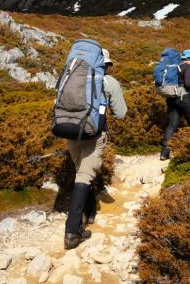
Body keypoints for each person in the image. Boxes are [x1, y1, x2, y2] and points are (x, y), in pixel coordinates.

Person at [64, 48, 127, 250]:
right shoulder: (109, 82)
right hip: (94, 134)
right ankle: (73, 232)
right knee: (84, 175)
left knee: (82, 171)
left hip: (70, 130)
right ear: (105, 64)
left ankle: (89, 212)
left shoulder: (70, 76)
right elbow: (121, 114)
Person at [160, 49, 190, 161]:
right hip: (185, 98)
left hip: (171, 99)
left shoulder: (174, 66)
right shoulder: (188, 67)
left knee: (172, 125)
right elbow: (189, 84)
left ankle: (164, 153)